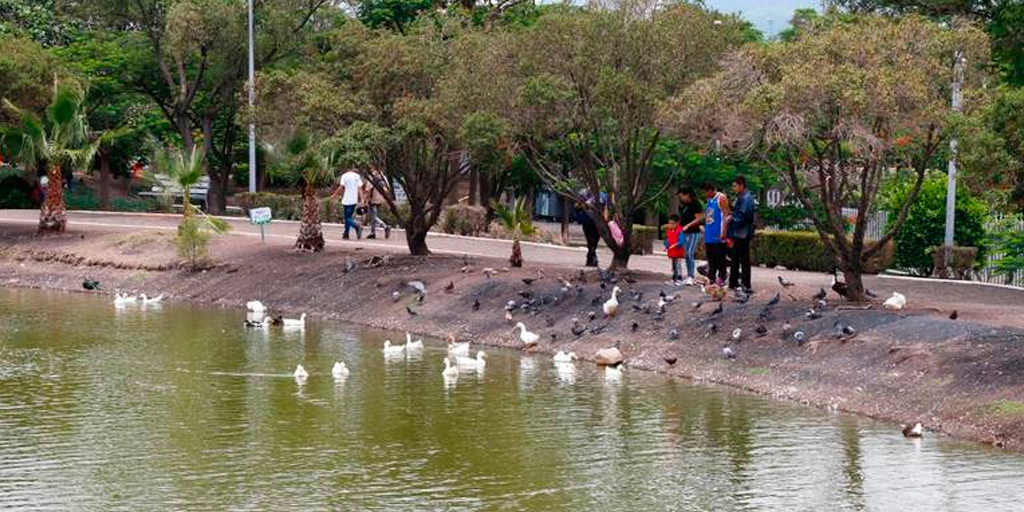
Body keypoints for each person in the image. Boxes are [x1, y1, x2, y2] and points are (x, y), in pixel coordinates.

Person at [727, 175, 756, 292]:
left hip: (742, 232)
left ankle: (745, 284)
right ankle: (734, 282)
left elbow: (743, 216)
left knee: (742, 259)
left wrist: (731, 220)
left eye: (735, 186)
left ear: (741, 185)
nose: (734, 188)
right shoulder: (742, 197)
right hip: (739, 231)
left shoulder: (747, 198)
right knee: (736, 258)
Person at [702, 182, 730, 285]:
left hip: (718, 233)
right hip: (709, 233)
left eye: (706, 192)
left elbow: (726, 215)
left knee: (719, 258)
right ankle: (711, 278)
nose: (705, 195)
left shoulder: (721, 197)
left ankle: (722, 276)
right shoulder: (709, 199)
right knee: (711, 259)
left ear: (710, 190)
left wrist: (724, 231)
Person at [675, 187, 704, 285]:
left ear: (687, 194)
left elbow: (699, 218)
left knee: (689, 253)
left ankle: (691, 277)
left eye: (681, 196)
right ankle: (688, 276)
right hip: (685, 233)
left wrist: (688, 225)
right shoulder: (685, 205)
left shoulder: (695, 204)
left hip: (693, 233)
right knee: (687, 254)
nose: (681, 198)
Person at [331, 167, 363, 240]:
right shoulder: (357, 176)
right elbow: (360, 189)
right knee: (349, 217)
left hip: (347, 200)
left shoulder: (344, 176)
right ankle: (346, 233)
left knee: (347, 218)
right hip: (354, 200)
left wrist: (334, 195)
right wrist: (362, 199)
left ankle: (356, 226)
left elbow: (341, 187)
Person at [574, 192, 601, 267]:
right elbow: (577, 206)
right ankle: (593, 258)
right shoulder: (584, 194)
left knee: (595, 241)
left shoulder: (601, 195)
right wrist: (584, 205)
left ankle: (590, 257)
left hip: (598, 222)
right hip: (587, 222)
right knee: (591, 241)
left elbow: (605, 207)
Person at [663, 214, 686, 285]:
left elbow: (682, 240)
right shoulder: (669, 231)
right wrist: (666, 246)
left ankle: (679, 278)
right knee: (673, 265)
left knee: (678, 264)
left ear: (677, 223)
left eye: (672, 224)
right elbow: (668, 240)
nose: (670, 225)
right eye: (669, 223)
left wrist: (677, 244)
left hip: (678, 251)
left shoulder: (680, 231)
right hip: (672, 251)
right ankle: (674, 278)